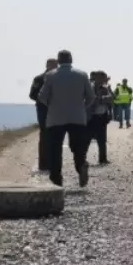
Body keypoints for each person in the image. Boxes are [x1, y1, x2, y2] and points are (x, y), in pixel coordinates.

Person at [38, 50, 95, 188]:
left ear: (59, 61)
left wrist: (51, 105)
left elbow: (41, 96)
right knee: (78, 147)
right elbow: (91, 97)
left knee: (55, 149)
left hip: (55, 118)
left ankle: (56, 180)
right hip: (77, 117)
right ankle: (81, 165)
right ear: (71, 60)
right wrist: (82, 107)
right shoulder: (82, 75)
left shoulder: (50, 76)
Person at [28, 57, 59, 173]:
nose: (55, 68)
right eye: (52, 65)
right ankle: (44, 164)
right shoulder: (39, 78)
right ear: (47, 65)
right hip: (43, 110)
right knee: (45, 134)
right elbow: (32, 94)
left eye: (56, 66)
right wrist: (44, 99)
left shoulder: (60, 79)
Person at [87, 71, 114, 165]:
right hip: (91, 116)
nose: (105, 80)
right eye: (103, 78)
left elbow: (112, 98)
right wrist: (104, 99)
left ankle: (103, 159)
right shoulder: (90, 86)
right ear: (98, 78)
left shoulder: (105, 87)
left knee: (102, 139)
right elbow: (93, 99)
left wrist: (108, 92)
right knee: (87, 139)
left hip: (102, 116)